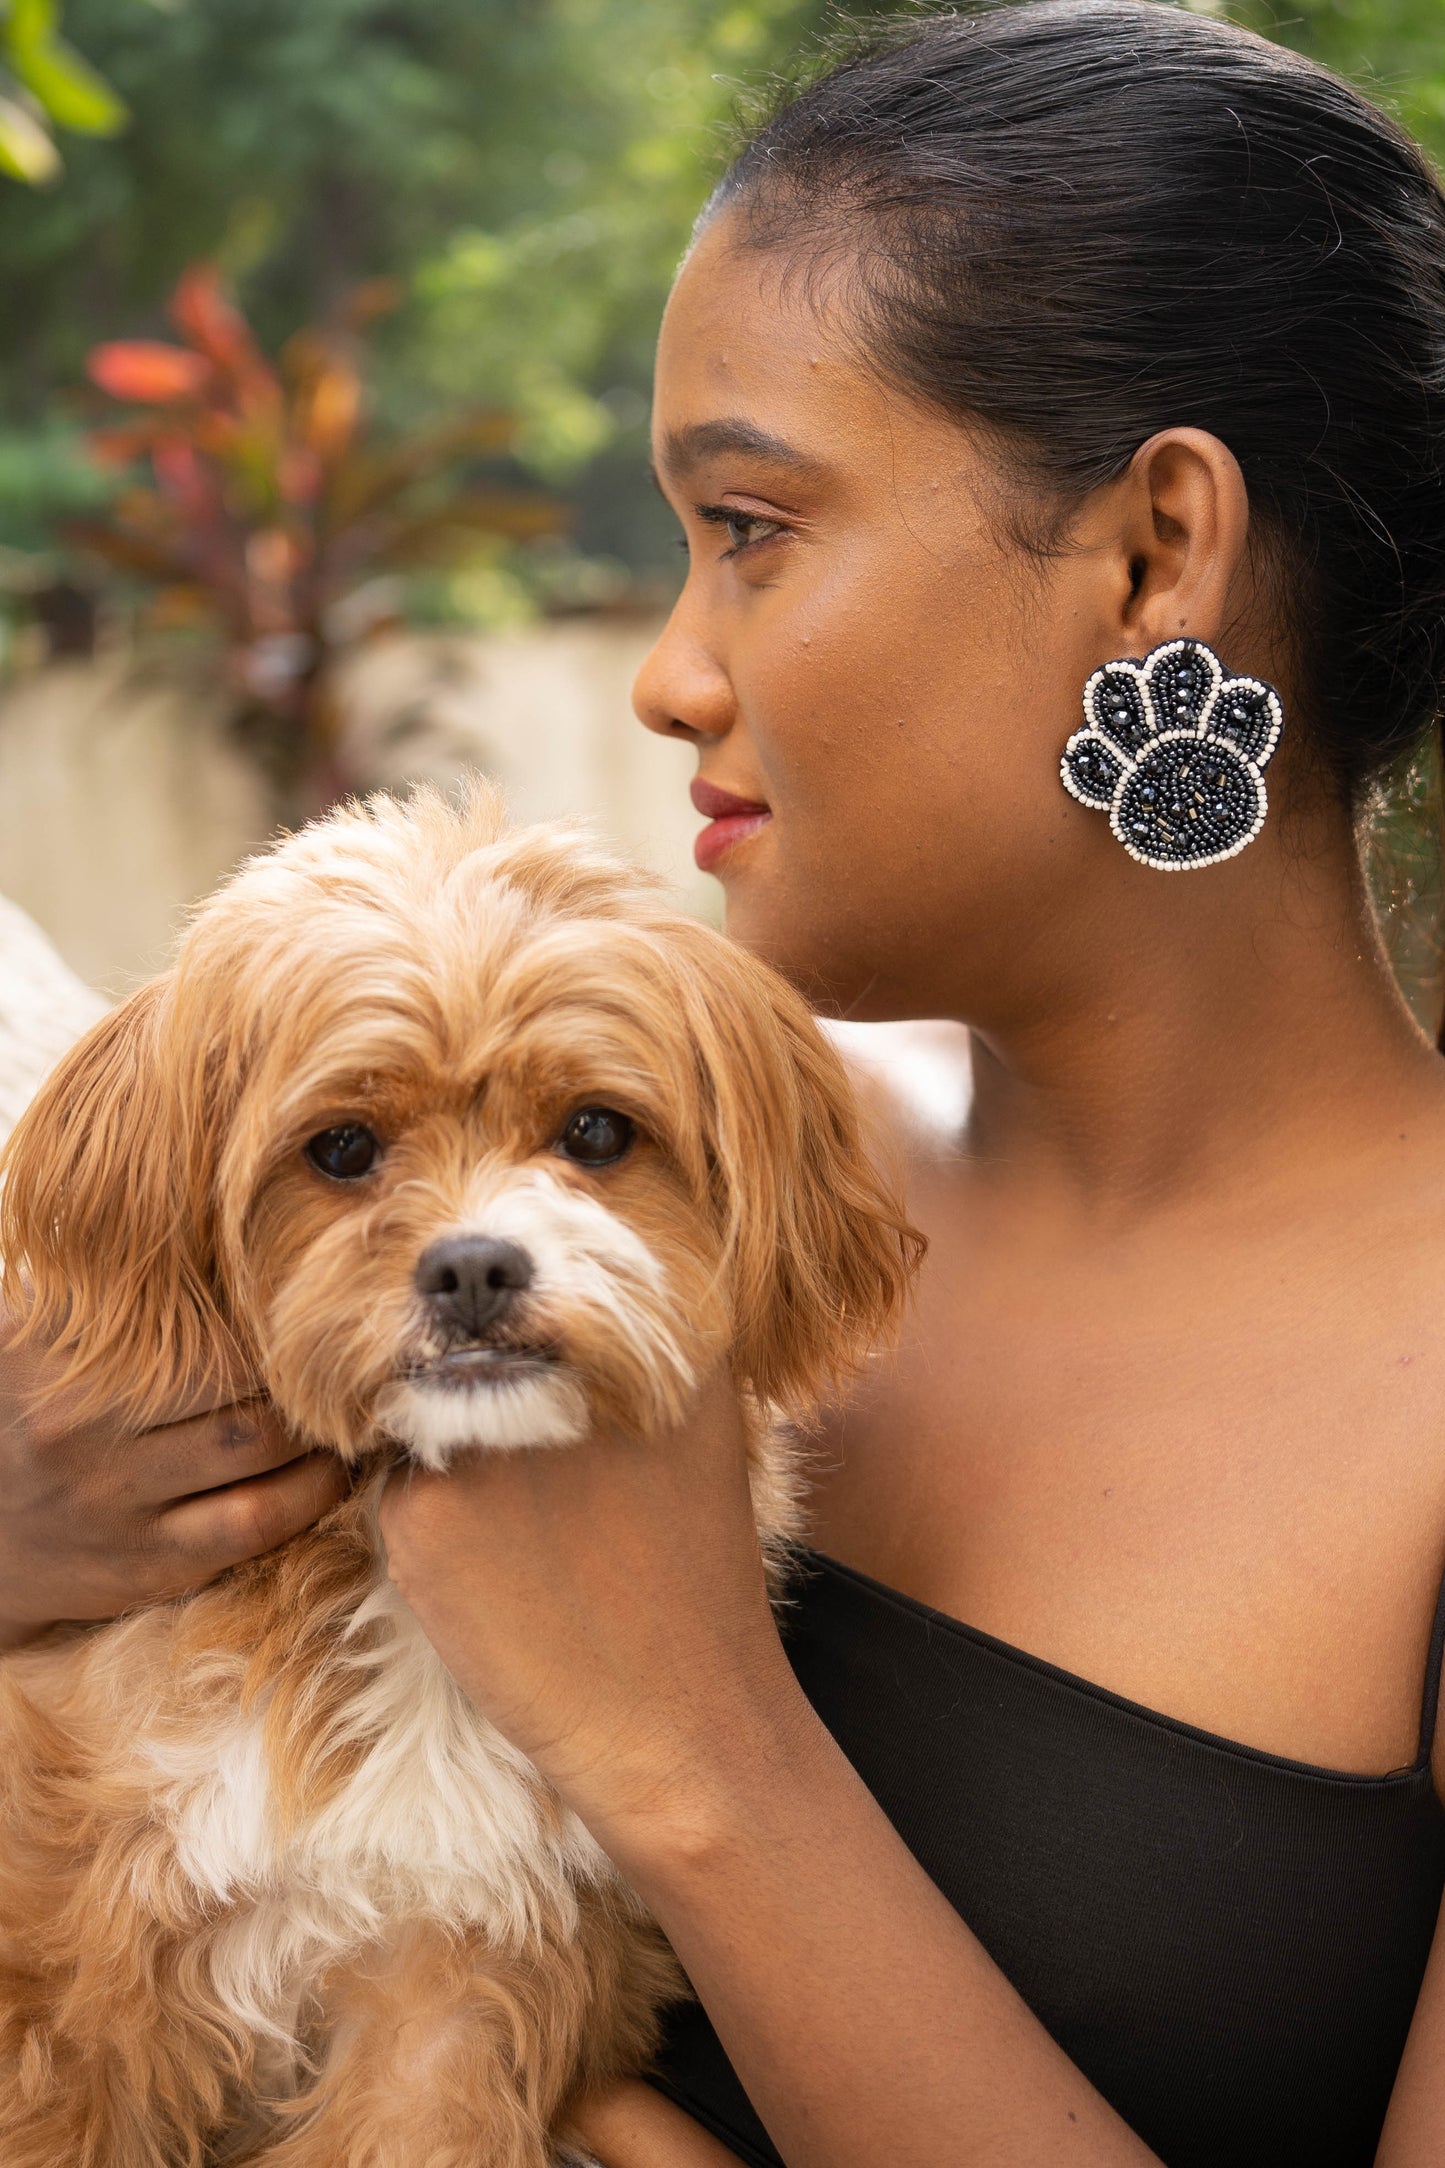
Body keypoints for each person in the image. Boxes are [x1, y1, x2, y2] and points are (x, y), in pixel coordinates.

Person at [7, 2, 1445, 2159]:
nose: (671, 672)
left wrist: (692, 1747)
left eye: (751, 528)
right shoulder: (668, 1146)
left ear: (1154, 556)